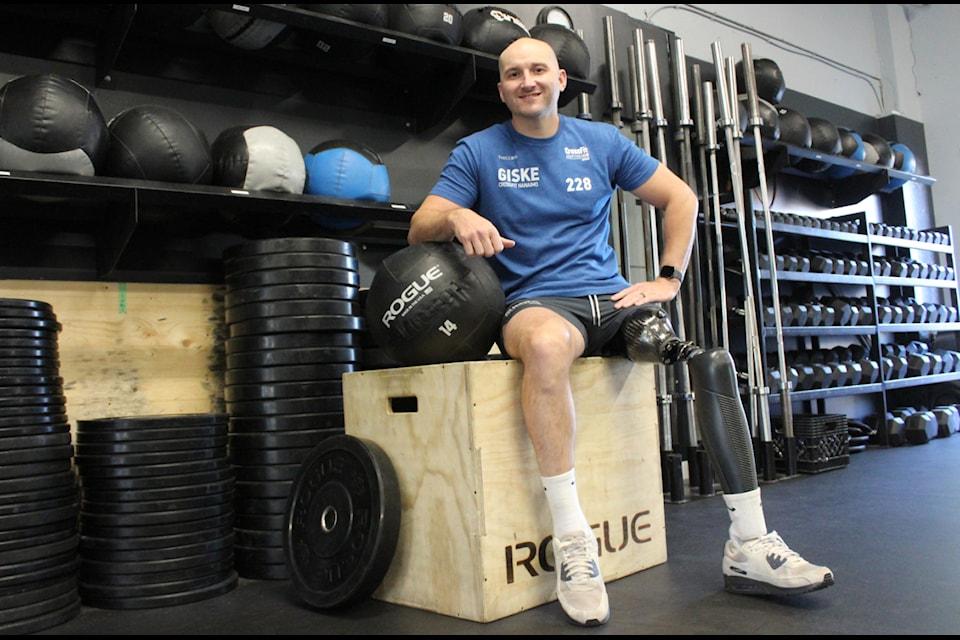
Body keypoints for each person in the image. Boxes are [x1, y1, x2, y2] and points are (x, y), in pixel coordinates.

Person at [408, 37, 833, 627]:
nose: (526, 81)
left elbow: (679, 197)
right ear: (502, 88)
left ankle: (750, 543)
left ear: (560, 78)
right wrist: (457, 214)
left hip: (613, 302)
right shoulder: (478, 152)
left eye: (537, 70)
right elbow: (419, 226)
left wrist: (666, 279)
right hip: (538, 305)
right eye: (512, 74)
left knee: (710, 361)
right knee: (548, 346)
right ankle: (574, 539)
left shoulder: (600, 141)